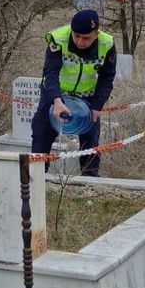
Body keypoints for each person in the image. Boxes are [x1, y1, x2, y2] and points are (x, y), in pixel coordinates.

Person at [31, 9, 117, 177]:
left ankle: (90, 179)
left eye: (86, 38)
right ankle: (37, 176)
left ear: (96, 33)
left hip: (87, 97)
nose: (80, 41)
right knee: (41, 133)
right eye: (76, 35)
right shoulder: (58, 39)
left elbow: (107, 77)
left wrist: (97, 106)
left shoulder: (107, 44)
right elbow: (51, 72)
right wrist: (56, 100)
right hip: (56, 93)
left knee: (90, 141)